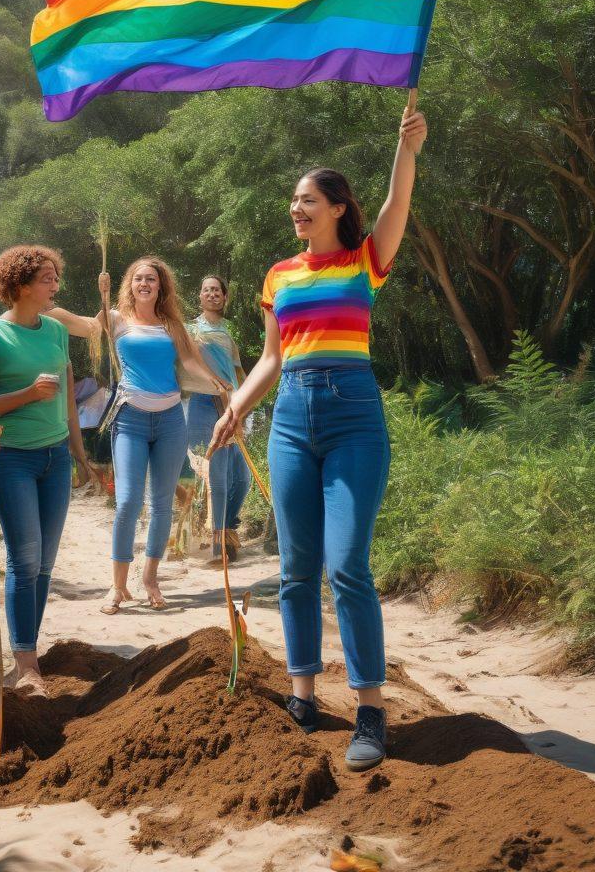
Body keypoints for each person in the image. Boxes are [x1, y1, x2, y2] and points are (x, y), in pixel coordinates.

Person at [211, 102, 428, 773]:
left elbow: (396, 202)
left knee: (347, 566)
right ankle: (303, 696)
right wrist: (235, 408)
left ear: (336, 206)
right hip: (292, 422)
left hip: (354, 418)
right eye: (294, 202)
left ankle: (368, 710)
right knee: (295, 568)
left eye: (307, 200)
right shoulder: (280, 275)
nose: (296, 209)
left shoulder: (366, 258)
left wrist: (408, 148)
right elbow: (273, 359)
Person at [51, 258, 226, 613]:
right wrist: (43, 304)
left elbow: (192, 363)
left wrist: (221, 387)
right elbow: (84, 327)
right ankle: (116, 587)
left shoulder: (172, 324)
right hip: (130, 418)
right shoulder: (114, 318)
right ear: (128, 284)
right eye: (138, 278)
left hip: (171, 421)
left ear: (161, 286)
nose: (144, 283)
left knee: (161, 504)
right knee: (129, 501)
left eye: (151, 279)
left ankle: (149, 578)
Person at [0, 245, 101, 696]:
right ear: (20, 286)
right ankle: (25, 664)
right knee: (25, 557)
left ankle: (26, 652)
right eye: (47, 279)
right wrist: (27, 395)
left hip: (54, 457)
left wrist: (79, 453)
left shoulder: (55, 332)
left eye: (56, 277)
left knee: (45, 564)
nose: (55, 286)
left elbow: (69, 400)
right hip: (11, 456)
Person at [182, 275, 251, 562]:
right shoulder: (188, 330)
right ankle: (218, 545)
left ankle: (226, 529)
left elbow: (238, 374)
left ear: (224, 297)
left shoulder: (227, 334)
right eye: (206, 289)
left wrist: (244, 408)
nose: (212, 294)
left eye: (217, 290)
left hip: (230, 406)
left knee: (243, 478)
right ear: (199, 296)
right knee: (218, 477)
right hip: (201, 406)